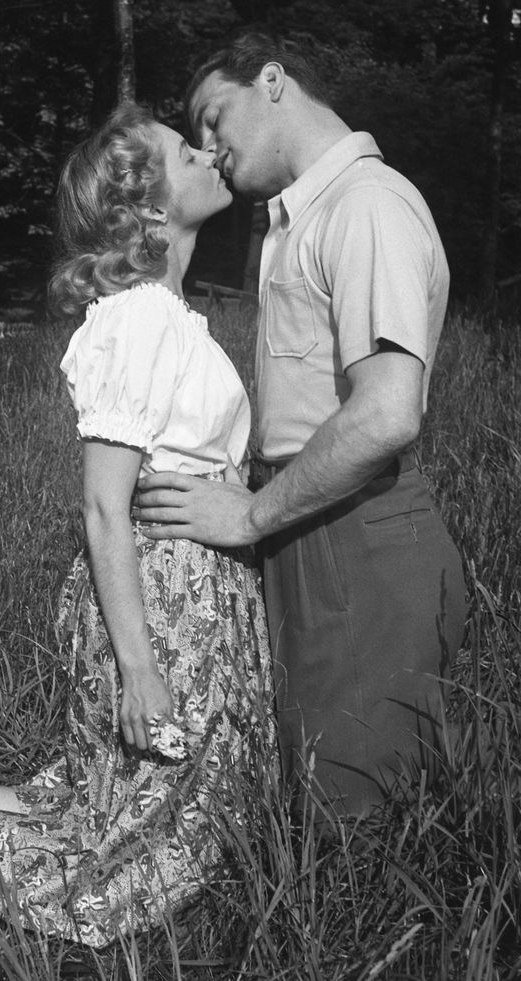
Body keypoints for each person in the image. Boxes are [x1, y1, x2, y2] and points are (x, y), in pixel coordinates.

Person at [0, 103, 273, 949]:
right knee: (169, 836)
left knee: (114, 795)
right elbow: (104, 503)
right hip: (162, 597)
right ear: (150, 208)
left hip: (182, 584)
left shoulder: (166, 315)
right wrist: (140, 668)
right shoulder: (141, 317)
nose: (209, 151)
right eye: (188, 152)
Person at [134, 33, 467, 819]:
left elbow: (387, 411)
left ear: (273, 82)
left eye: (214, 120)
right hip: (306, 525)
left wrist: (249, 515)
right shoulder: (302, 218)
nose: (210, 151)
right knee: (297, 806)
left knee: (351, 830)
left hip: (359, 535)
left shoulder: (367, 205)